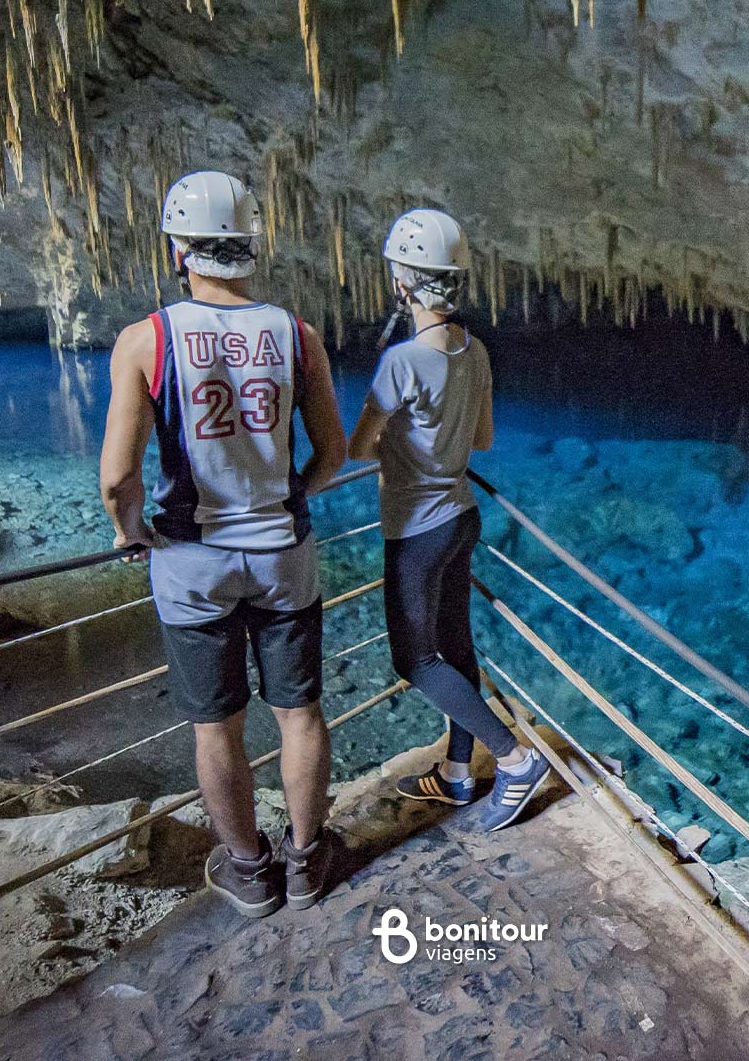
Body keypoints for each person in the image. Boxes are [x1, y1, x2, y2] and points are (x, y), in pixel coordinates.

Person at [100, 170, 346, 918]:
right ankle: (307, 863)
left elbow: (118, 475)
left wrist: (127, 530)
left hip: (191, 559)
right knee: (299, 714)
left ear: (180, 249)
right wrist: (287, 494)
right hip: (281, 550)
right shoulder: (296, 335)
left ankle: (249, 870)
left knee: (217, 726)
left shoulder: (148, 339)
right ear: (249, 246)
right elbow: (333, 452)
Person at [347, 208, 549, 832]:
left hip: (416, 529)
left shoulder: (402, 362)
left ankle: (516, 760)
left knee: (415, 659)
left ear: (403, 283)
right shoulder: (477, 350)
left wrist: (399, 446)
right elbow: (481, 438)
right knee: (455, 646)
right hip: (462, 516)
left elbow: (357, 447)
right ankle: (458, 775)